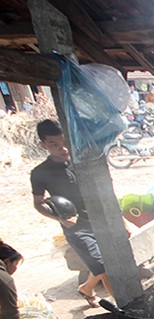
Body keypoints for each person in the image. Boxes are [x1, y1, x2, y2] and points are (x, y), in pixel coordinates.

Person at [30, 120, 130, 307]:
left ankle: (86, 287)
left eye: (65, 141)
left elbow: (105, 192)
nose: (63, 148)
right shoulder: (40, 173)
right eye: (54, 145)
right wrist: (60, 218)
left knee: (106, 261)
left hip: (100, 220)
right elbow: (38, 203)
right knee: (106, 268)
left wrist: (122, 220)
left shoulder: (84, 162)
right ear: (43, 145)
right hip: (77, 227)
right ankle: (125, 308)